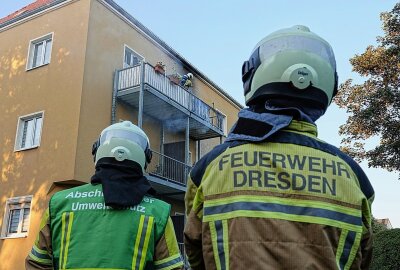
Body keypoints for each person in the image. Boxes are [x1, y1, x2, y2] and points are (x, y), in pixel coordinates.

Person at [184, 25, 374, 269]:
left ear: (253, 75)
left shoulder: (211, 166)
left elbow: (194, 245)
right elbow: (363, 255)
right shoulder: (354, 176)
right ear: (328, 86)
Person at [26, 121, 184, 270]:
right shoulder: (157, 212)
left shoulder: (59, 203)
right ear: (144, 159)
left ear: (98, 153)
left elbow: (37, 262)